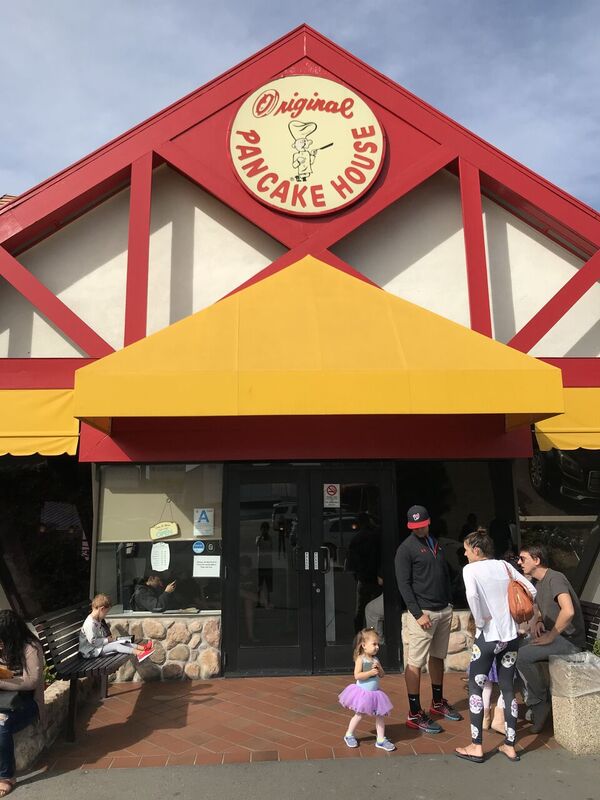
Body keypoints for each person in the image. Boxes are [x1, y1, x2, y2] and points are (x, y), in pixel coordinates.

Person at [455, 530, 536, 764]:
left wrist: (480, 620)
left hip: (487, 638)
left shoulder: (470, 569)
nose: (465, 552)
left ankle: (476, 745)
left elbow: (472, 595)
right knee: (508, 688)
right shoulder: (504, 566)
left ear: (476, 550)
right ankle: (510, 746)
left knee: (476, 687)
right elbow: (531, 590)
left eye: (467, 549)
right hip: (510, 637)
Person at [395, 504, 461, 734]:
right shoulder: (406, 549)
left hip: (443, 610)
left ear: (428, 521)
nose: (419, 529)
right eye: (415, 526)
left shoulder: (436, 544)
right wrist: (417, 613)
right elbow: (403, 584)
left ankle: (437, 702)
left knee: (437, 657)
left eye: (421, 525)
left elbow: (444, 573)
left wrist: (450, 602)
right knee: (415, 662)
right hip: (423, 613)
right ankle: (414, 712)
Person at [516, 543, 586, 733]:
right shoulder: (539, 582)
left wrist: (551, 636)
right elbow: (541, 608)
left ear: (537, 560)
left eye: (523, 559)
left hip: (570, 642)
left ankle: (539, 703)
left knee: (520, 656)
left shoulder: (555, 578)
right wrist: (539, 620)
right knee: (511, 650)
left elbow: (568, 610)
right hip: (558, 638)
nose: (519, 562)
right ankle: (534, 701)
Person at [0, 610, 45, 797]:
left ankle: (5, 777)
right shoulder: (4, 646)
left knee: (1, 724)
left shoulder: (30, 647)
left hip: (25, 702)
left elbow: (32, 682)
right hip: (3, 700)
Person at [338, 628, 395, 751]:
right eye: (374, 644)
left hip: (375, 694)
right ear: (364, 645)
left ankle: (380, 739)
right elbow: (357, 676)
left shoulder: (376, 660)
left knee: (380, 715)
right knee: (359, 714)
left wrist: (379, 669)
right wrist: (369, 672)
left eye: (378, 644)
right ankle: (349, 734)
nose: (377, 647)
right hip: (363, 694)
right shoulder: (361, 659)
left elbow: (382, 675)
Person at [79, 594, 154, 661]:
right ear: (101, 609)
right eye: (106, 612)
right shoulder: (90, 623)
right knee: (116, 645)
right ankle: (139, 654)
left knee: (122, 641)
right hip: (91, 652)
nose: (106, 615)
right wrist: (107, 640)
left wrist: (108, 640)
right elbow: (93, 642)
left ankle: (143, 648)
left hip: (98, 647)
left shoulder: (97, 620)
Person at [346, 513, 381, 632]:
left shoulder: (357, 539)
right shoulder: (376, 536)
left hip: (363, 578)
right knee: (377, 610)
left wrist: (357, 575)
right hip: (376, 578)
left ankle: (359, 636)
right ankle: (376, 635)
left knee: (360, 610)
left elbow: (352, 561)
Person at [255, 522, 274, 609]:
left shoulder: (270, 538)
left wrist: (266, 537)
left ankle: (269, 601)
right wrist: (262, 536)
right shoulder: (258, 538)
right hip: (261, 565)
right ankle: (259, 602)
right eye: (263, 529)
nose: (264, 531)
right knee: (260, 584)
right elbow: (257, 544)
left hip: (268, 564)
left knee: (268, 584)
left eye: (266, 529)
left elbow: (271, 546)